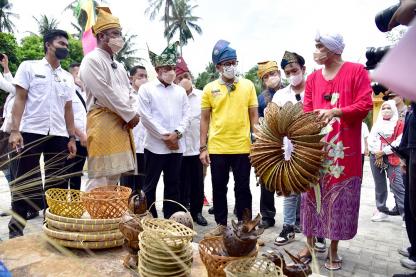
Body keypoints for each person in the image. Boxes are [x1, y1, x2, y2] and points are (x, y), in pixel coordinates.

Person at [298, 31, 373, 270]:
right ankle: (308, 246)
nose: (317, 50)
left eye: (320, 46)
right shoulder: (312, 79)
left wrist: (337, 111)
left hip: (345, 151)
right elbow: (307, 110)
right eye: (316, 45)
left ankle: (333, 249)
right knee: (310, 198)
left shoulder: (356, 71)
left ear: (333, 49)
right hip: (316, 151)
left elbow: (365, 104)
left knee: (339, 200)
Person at [8, 29, 77, 238]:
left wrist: (72, 137)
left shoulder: (67, 78)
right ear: (48, 44)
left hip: (58, 136)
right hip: (30, 132)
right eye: (61, 43)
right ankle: (15, 230)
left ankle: (52, 228)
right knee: (24, 180)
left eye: (66, 44)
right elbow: (19, 99)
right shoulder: (29, 67)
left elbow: (68, 109)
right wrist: (14, 130)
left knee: (56, 183)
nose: (65, 47)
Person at [200, 40, 258, 238]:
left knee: (243, 187)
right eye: (226, 63)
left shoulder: (248, 86)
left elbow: (254, 117)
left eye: (233, 62)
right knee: (218, 187)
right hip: (218, 147)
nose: (230, 66)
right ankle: (221, 224)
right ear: (218, 67)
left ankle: (244, 225)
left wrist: (257, 142)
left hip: (242, 146)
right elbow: (205, 119)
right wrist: (203, 147)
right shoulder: (209, 89)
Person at [79, 7, 139, 191]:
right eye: (115, 33)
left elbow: (130, 92)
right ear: (102, 36)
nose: (119, 38)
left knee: (115, 173)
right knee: (101, 174)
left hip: (121, 121)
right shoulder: (91, 60)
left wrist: (132, 112)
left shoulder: (119, 66)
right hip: (103, 120)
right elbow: (104, 93)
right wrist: (129, 115)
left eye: (120, 33)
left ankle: (109, 214)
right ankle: (94, 216)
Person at [138, 42, 190, 219]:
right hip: (154, 146)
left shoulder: (180, 92)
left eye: (173, 68)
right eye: (167, 68)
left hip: (176, 146)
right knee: (150, 185)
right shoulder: (146, 89)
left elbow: (187, 116)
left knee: (173, 184)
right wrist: (165, 137)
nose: (171, 72)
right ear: (158, 69)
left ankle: (171, 218)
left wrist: (177, 133)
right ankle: (149, 217)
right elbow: (145, 117)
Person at [270, 51, 305, 245]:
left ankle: (315, 232)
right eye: (288, 72)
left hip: (313, 149)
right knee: (290, 191)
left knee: (312, 192)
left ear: (303, 69)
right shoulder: (281, 95)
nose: (292, 74)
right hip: (289, 149)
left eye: (295, 70)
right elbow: (273, 120)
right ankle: (289, 227)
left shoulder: (314, 89)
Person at [177, 75, 208, 226]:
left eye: (186, 76)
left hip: (197, 148)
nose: (184, 79)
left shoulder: (202, 95)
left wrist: (205, 146)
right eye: (180, 77)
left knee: (198, 184)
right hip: (179, 150)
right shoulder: (175, 96)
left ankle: (197, 213)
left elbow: (208, 119)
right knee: (180, 184)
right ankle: (182, 215)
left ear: (191, 78)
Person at [368, 100, 405, 222]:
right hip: (376, 156)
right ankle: (382, 210)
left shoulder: (399, 124)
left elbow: (398, 142)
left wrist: (383, 152)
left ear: (393, 110)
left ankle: (406, 214)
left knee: (397, 185)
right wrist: (377, 154)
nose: (386, 110)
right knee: (379, 185)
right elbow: (371, 140)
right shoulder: (377, 124)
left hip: (392, 157)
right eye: (383, 108)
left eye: (389, 108)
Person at [256, 60, 281, 229]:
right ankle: (267, 215)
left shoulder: (292, 90)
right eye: (266, 76)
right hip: (269, 143)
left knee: (296, 179)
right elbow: (257, 121)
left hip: (292, 142)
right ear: (263, 80)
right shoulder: (261, 98)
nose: (270, 78)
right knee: (266, 180)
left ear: (279, 73)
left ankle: (296, 218)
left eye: (273, 74)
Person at [119, 65, 148, 195]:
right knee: (127, 184)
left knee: (142, 184)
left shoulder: (148, 95)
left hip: (145, 146)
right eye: (140, 76)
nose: (144, 79)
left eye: (146, 76)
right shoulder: (125, 95)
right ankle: (126, 211)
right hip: (128, 146)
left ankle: (141, 211)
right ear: (131, 78)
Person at [398, 102, 416, 270]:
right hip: (410, 154)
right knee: (411, 207)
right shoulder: (412, 107)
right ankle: (414, 248)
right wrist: (404, 156)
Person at [65, 63, 88, 190]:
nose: (80, 77)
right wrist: (80, 135)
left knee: (76, 174)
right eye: (77, 74)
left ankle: (75, 205)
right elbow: (67, 116)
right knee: (66, 173)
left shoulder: (87, 93)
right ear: (71, 75)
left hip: (85, 140)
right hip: (73, 139)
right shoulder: (69, 92)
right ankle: (57, 206)